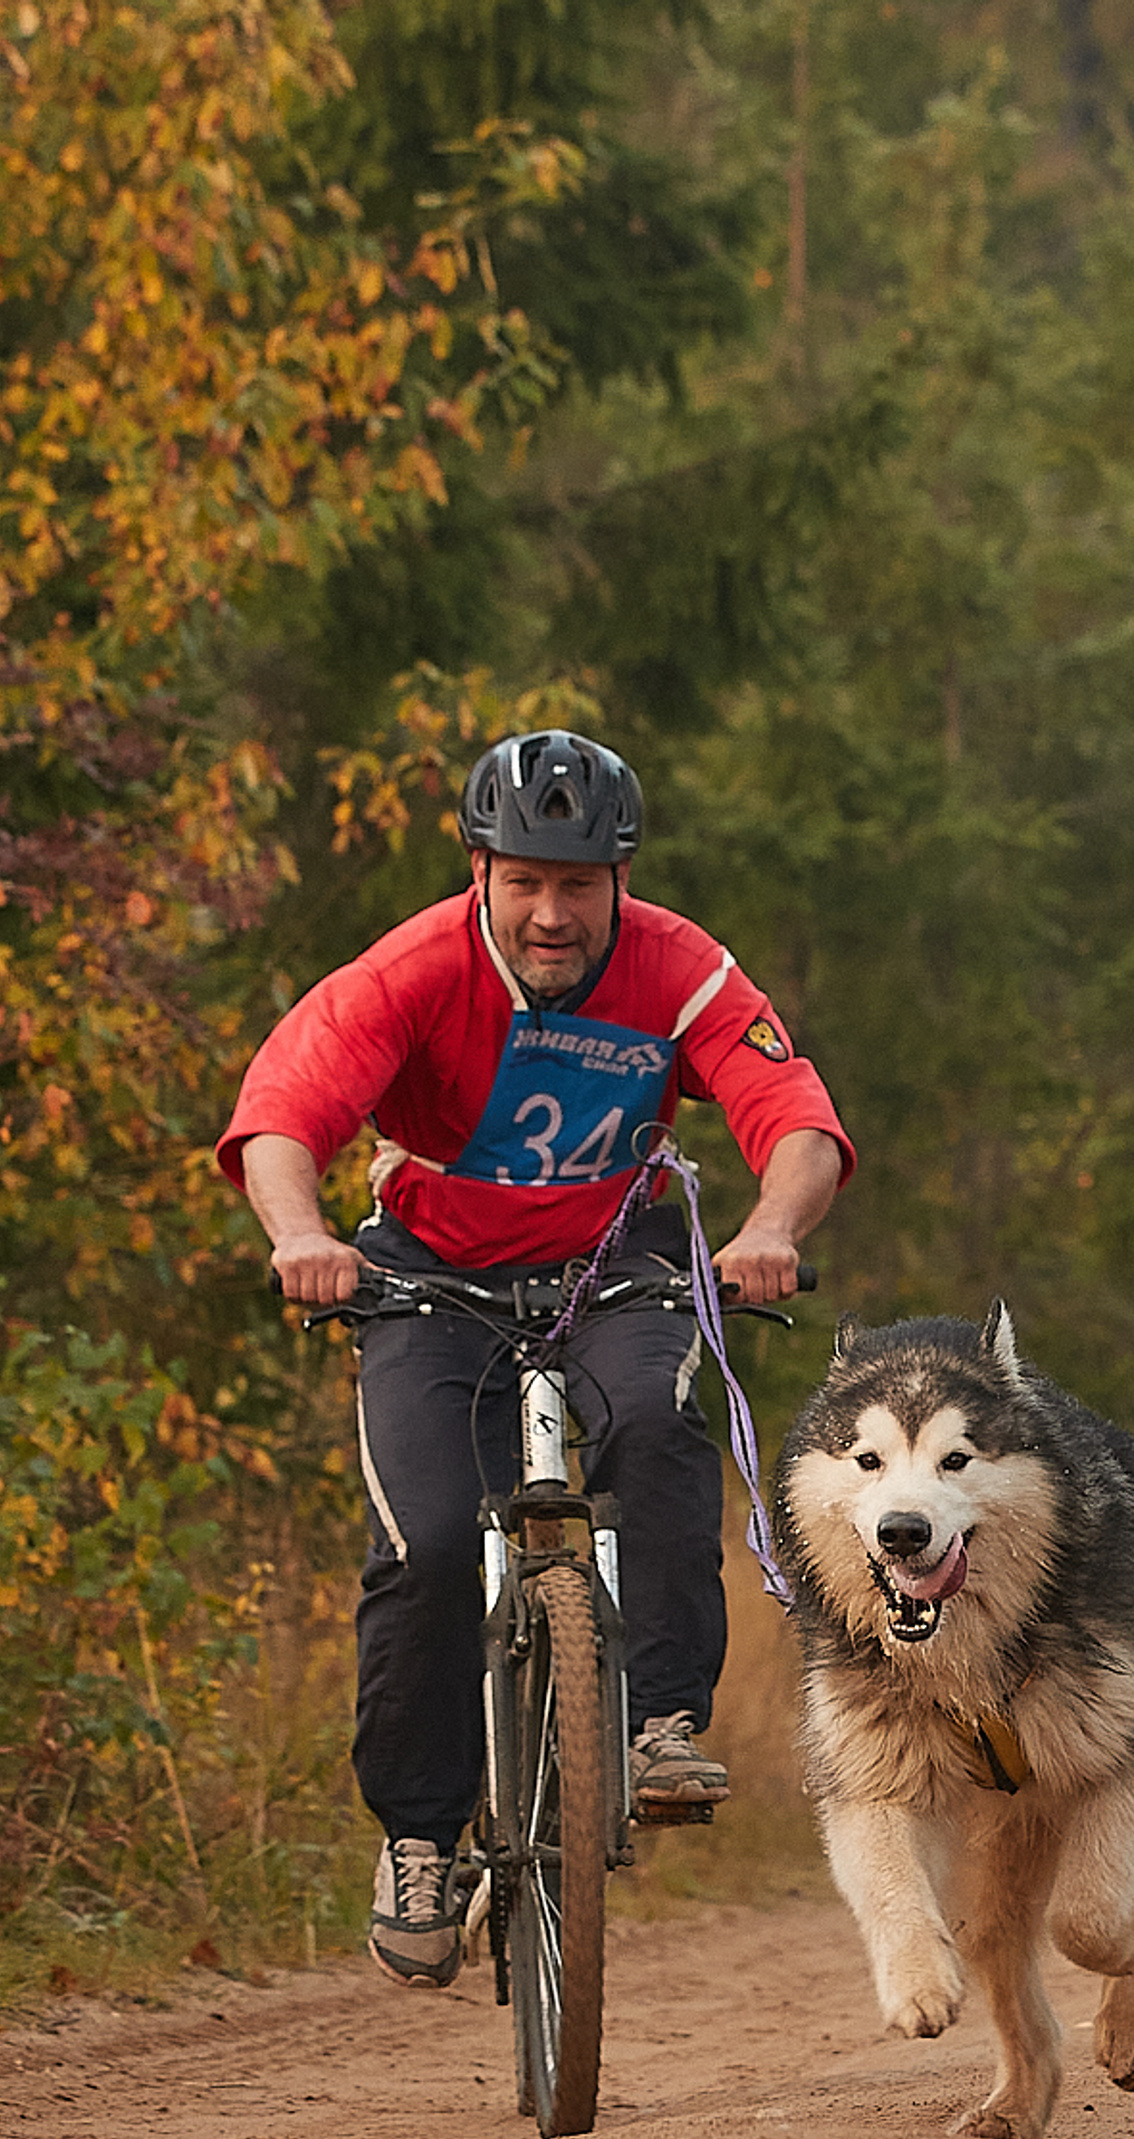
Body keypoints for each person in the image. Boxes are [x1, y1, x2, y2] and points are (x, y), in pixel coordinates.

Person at [218, 730, 852, 1986]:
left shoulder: (679, 969)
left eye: (578, 885)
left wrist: (770, 1229)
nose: (551, 914)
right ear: (479, 871)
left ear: (620, 879)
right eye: (524, 882)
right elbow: (282, 1114)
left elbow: (799, 1118)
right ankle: (415, 1833)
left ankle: (661, 1718)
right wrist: (300, 1237)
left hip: (616, 1266)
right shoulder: (411, 971)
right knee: (432, 1540)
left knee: (661, 1427)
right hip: (426, 1281)